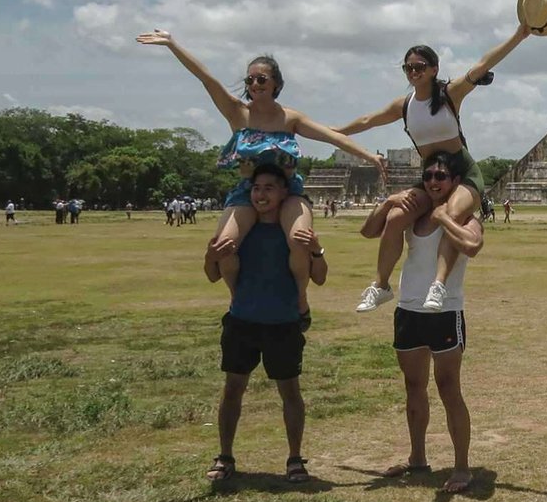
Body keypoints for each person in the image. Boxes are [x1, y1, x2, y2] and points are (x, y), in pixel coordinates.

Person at [138, 29, 385, 320]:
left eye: (262, 79)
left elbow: (333, 138)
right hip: (249, 190)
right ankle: (236, 297)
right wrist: (172, 44)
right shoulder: (237, 113)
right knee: (225, 245)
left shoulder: (290, 118)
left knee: (298, 240)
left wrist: (368, 155)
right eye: (250, 80)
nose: (255, 84)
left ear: (276, 84)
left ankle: (301, 297)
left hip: (288, 190)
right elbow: (206, 77)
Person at [339, 26, 533, 313]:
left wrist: (520, 33)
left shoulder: (449, 94)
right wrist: (331, 131)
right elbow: (369, 119)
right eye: (408, 68)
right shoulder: (404, 105)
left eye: (419, 67)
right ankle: (381, 286)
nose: (413, 72)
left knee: (451, 215)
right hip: (431, 175)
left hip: (462, 173)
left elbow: (483, 65)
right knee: (395, 217)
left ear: (433, 69)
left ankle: (438, 286)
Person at [362, 151, 484, 493]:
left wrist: (445, 218)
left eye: (441, 176)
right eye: (428, 175)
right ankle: (417, 458)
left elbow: (473, 245)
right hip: (408, 310)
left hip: (445, 312)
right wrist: (387, 203)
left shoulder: (465, 215)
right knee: (413, 388)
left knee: (449, 390)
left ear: (455, 182)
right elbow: (368, 231)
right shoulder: (411, 215)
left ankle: (462, 467)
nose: (433, 181)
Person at [202, 164, 328, 484]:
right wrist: (209, 255)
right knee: (233, 390)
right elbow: (213, 275)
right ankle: (225, 455)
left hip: (283, 322)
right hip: (242, 320)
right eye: (257, 188)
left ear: (285, 193)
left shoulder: (292, 234)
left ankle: (295, 458)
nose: (261, 194)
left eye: (270, 188)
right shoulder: (241, 231)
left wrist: (316, 249)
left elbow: (321, 277)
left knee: (290, 392)